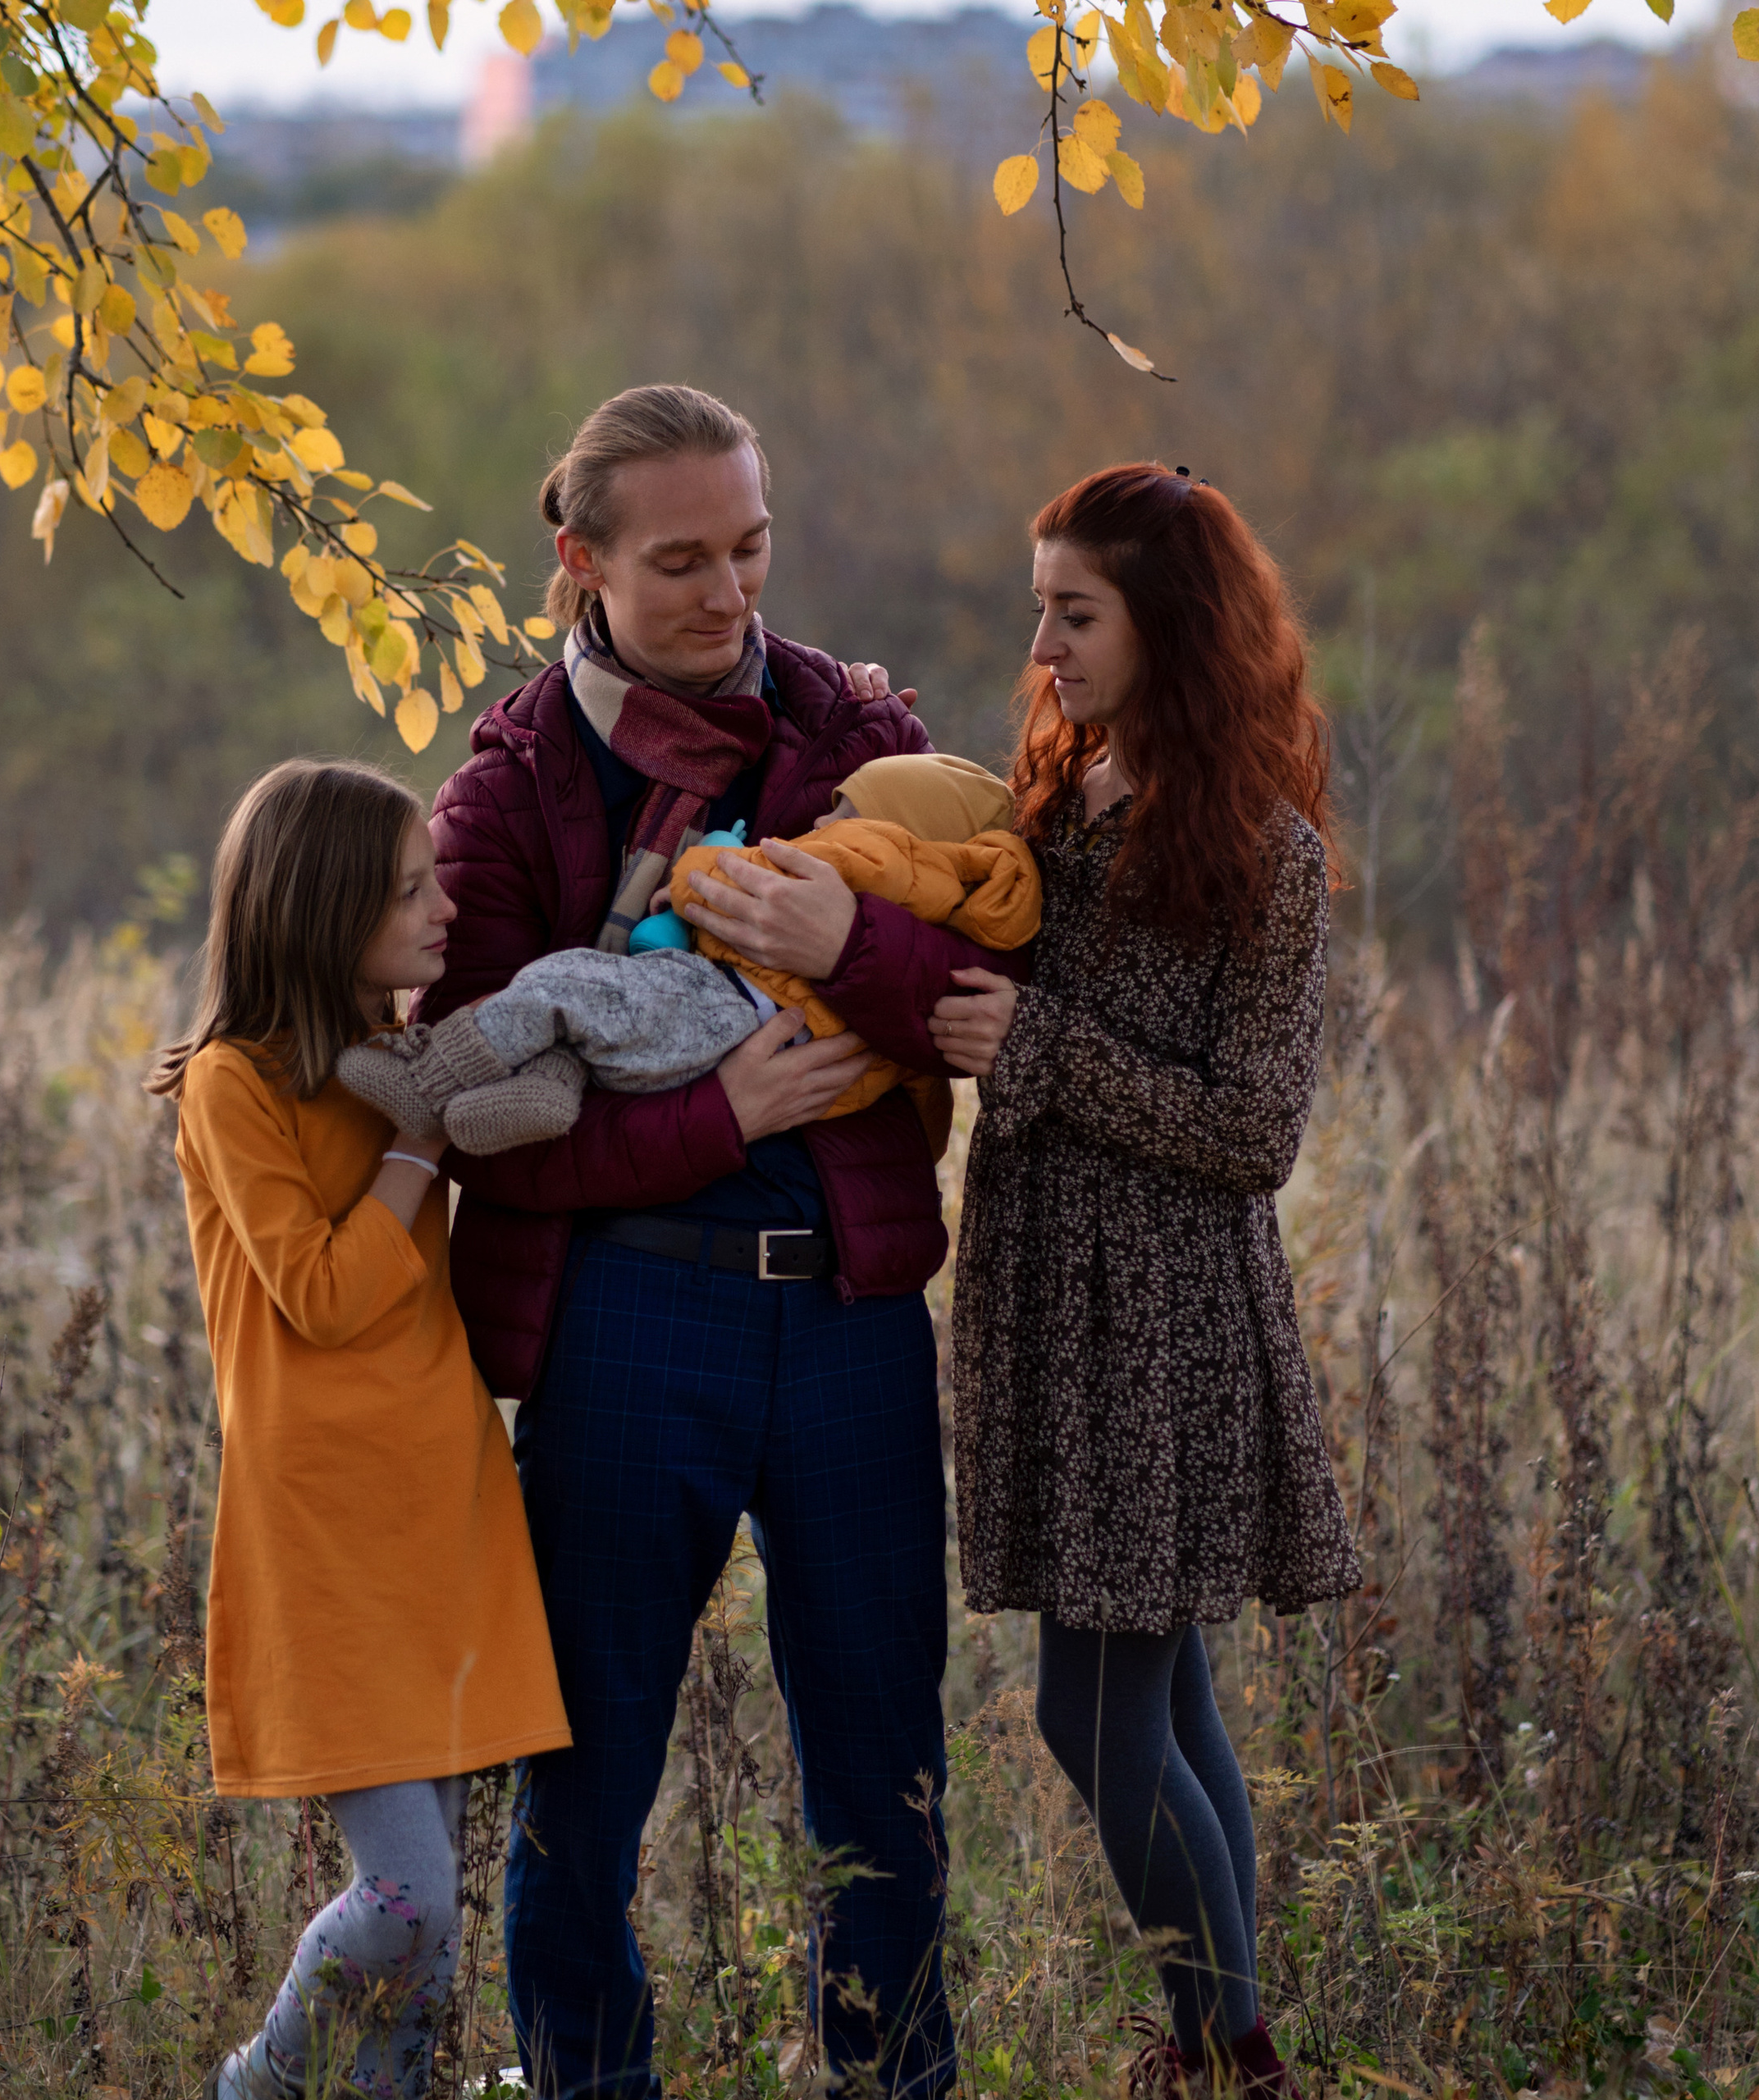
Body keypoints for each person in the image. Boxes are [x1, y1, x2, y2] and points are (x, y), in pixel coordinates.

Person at [419, 384, 1020, 2100]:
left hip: (844, 1326)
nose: (727, 592)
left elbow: (988, 994)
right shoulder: (511, 788)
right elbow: (477, 1117)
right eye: (679, 558)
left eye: (749, 547)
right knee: (584, 1786)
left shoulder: (861, 730)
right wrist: (719, 1114)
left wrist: (843, 941)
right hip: (623, 1324)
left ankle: (892, 2082)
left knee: (884, 1776)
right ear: (579, 560)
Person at [930, 464, 1364, 2096]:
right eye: (1038, 604)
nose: (1041, 643)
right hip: (1045, 1297)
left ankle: (1228, 2052)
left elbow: (1255, 1127)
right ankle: (1216, 2044)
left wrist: (1035, 1047)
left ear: (1166, 624)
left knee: (1093, 1711)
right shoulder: (1057, 796)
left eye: (1075, 611)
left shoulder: (1262, 852)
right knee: (1163, 1696)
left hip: (1161, 1322)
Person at [148, 758, 572, 2100]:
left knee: (433, 1953)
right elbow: (325, 1295)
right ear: (324, 910)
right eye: (409, 890)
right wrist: (422, 1144)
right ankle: (259, 2085)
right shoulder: (235, 1086)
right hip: (326, 1532)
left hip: (442, 1501)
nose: (441, 908)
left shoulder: (393, 1059)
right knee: (407, 1904)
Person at [336, 751, 1039, 1155]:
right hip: (763, 1041)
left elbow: (729, 878)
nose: (822, 821)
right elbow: (925, 1079)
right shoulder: (945, 902)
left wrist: (692, 875)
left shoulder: (869, 851)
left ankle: (426, 1085)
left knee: (565, 983)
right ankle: (551, 1088)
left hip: (715, 1004)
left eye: (841, 808)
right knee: (584, 1034)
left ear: (887, 821)